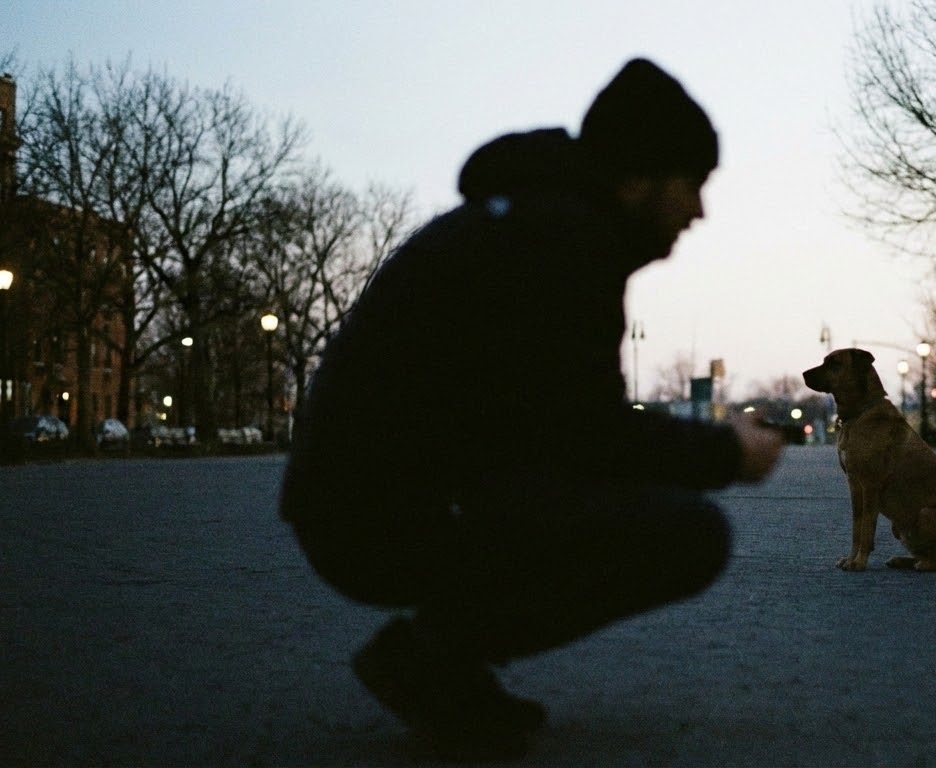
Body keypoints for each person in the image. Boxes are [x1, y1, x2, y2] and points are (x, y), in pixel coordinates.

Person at [279, 58, 785, 760]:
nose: (698, 212)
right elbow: (584, 438)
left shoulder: (527, 223)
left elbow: (552, 425)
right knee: (688, 535)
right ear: (640, 178)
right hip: (383, 515)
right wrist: (726, 453)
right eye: (692, 185)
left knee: (624, 505)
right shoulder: (563, 241)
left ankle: (439, 661)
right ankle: (431, 660)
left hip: (365, 499)